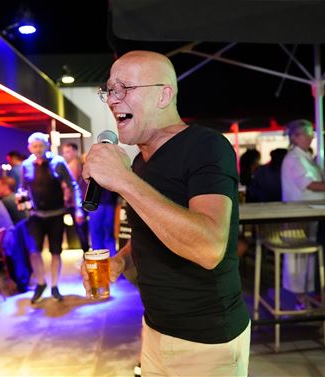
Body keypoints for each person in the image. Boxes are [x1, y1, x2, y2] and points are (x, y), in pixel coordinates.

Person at [81, 50, 250, 376]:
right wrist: (120, 261)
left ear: (164, 95)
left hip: (207, 340)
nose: (112, 100)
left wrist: (124, 180)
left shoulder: (206, 146)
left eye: (124, 88)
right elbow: (150, 234)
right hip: (155, 329)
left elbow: (209, 247)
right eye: (109, 91)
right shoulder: (141, 164)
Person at [280, 119, 325, 301]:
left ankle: (310, 294)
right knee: (301, 259)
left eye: (312, 132)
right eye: (308, 133)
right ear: (295, 137)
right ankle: (301, 298)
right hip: (300, 214)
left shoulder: (304, 156)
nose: (312, 137)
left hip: (311, 213)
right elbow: (309, 184)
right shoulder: (294, 158)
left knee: (310, 256)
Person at [21, 132, 84, 303]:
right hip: (35, 216)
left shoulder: (58, 162)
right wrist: (20, 197)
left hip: (56, 214)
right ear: (29, 148)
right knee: (34, 252)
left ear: (46, 146)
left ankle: (55, 285)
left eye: (40, 145)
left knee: (56, 251)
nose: (38, 149)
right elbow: (22, 188)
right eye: (34, 146)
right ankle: (41, 283)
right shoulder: (26, 165)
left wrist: (79, 209)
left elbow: (74, 186)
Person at [61, 143, 90, 252]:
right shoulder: (77, 163)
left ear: (75, 151)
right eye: (64, 152)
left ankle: (86, 256)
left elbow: (70, 186)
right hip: (80, 202)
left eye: (68, 152)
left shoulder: (73, 164)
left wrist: (65, 199)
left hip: (76, 203)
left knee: (81, 231)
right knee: (82, 230)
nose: (65, 155)